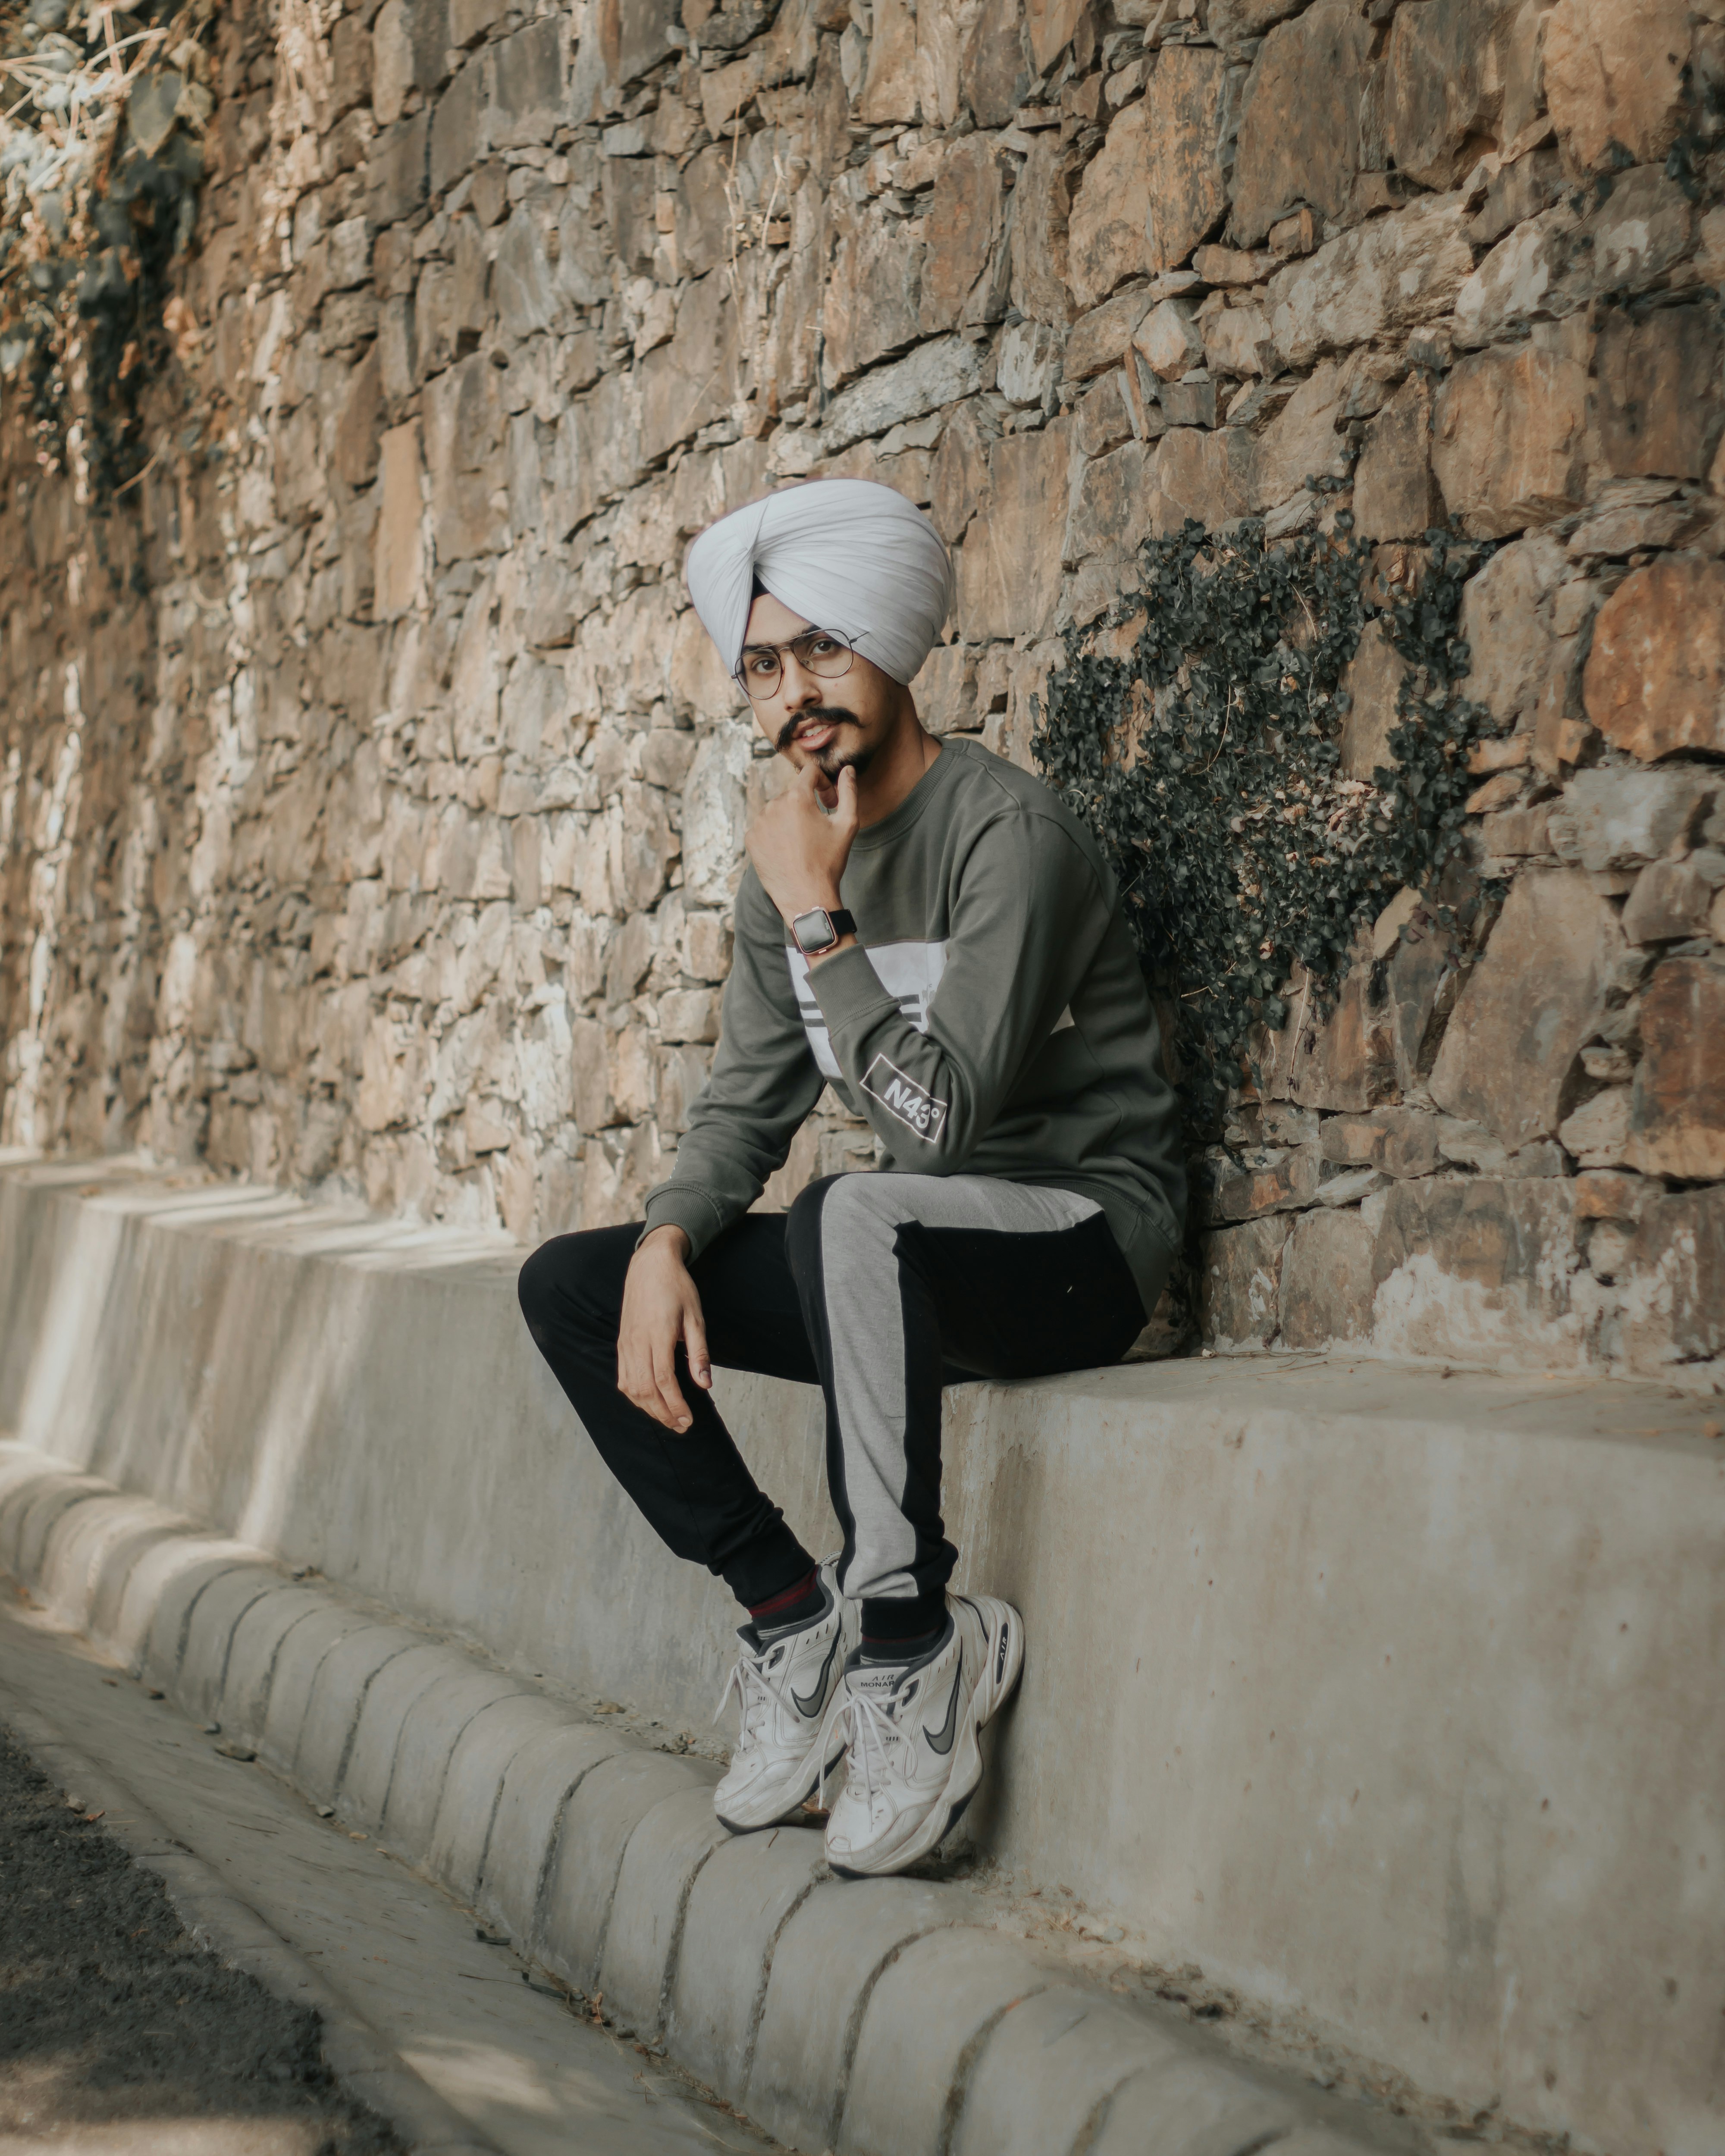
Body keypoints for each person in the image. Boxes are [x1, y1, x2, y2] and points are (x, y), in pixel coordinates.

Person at [518, 477, 1184, 1879]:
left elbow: (935, 1133)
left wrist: (824, 916)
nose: (794, 690)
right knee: (576, 1286)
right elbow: (747, 1106)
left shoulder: (1013, 841)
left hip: (1076, 1250)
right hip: (900, 1260)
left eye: (823, 648)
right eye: (764, 664)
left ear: (892, 648)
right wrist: (662, 1243)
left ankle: (913, 1645)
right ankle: (791, 1616)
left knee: (855, 1206)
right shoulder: (785, 867)